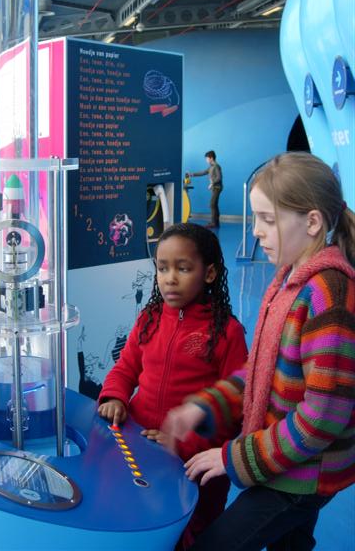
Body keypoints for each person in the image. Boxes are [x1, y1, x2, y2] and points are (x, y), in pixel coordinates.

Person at [162, 152, 355, 551]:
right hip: (286, 459)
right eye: (255, 219)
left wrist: (233, 458)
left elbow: (323, 418)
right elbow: (262, 371)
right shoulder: (288, 280)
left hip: (301, 477)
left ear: (312, 222)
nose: (256, 232)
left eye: (268, 219)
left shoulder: (328, 295)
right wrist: (207, 405)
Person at [98, 223, 247, 548]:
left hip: (193, 465)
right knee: (138, 523)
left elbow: (233, 408)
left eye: (183, 268)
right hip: (139, 448)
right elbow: (125, 367)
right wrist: (115, 397)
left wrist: (184, 443)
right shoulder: (149, 318)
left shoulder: (227, 332)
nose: (169, 278)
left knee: (192, 534)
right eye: (162, 268)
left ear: (209, 273)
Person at [186, 151, 223, 229]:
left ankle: (214, 223)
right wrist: (191, 174)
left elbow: (219, 178)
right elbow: (203, 172)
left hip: (217, 188)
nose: (206, 160)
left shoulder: (216, 166)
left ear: (211, 158)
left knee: (212, 204)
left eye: (207, 158)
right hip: (214, 188)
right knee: (214, 205)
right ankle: (216, 222)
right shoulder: (211, 167)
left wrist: (212, 183)